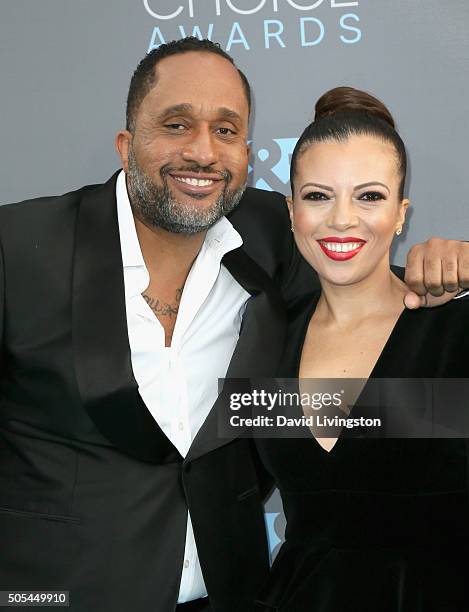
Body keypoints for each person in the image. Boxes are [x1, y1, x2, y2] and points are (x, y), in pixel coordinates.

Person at [0, 38, 466, 612]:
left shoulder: (267, 242)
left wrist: (446, 268)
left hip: (236, 596)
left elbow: (357, 266)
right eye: (176, 124)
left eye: (225, 130)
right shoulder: (17, 248)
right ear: (126, 144)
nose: (202, 153)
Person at [254, 87, 469, 611]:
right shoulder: (265, 344)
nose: (342, 219)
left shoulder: (455, 326)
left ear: (401, 213)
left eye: (369, 196)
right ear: (291, 211)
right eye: (318, 195)